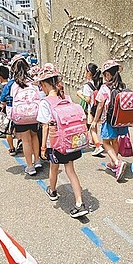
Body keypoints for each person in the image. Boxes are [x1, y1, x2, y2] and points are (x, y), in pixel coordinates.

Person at [36, 64, 88, 219]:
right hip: (71, 141)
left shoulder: (45, 102)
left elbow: (45, 126)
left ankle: (52, 191)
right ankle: (80, 202)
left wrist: (43, 146)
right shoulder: (67, 98)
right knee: (70, 170)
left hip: (56, 143)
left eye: (41, 85)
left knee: (53, 167)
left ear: (44, 84)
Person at [92, 60, 128, 182]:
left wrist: (94, 121)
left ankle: (117, 163)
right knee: (114, 141)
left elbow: (100, 106)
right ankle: (113, 164)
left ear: (107, 74)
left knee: (106, 143)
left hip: (109, 120)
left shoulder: (104, 87)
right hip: (120, 120)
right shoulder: (122, 86)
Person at [9, 55, 41, 176]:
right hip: (34, 114)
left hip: (21, 116)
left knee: (26, 140)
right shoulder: (33, 82)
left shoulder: (14, 85)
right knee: (35, 136)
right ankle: (37, 160)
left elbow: (11, 100)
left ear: (13, 69)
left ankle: (30, 166)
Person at [78, 63, 104, 157]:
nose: (84, 73)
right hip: (99, 109)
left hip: (91, 109)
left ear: (89, 73)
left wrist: (79, 94)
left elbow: (88, 100)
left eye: (85, 71)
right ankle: (93, 141)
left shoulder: (87, 85)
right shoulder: (100, 83)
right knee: (94, 124)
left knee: (92, 128)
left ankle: (98, 146)